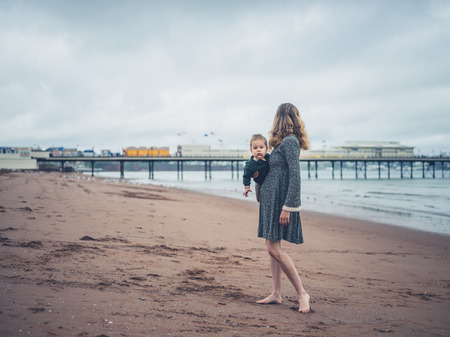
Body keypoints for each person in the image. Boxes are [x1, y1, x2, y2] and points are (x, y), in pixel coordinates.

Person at [256, 102, 311, 313]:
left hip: (281, 204)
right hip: (271, 203)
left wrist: (289, 206)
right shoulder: (280, 144)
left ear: (280, 118)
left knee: (273, 249)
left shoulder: (290, 142)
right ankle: (276, 293)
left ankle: (302, 293)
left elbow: (295, 176)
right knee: (273, 249)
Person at [242, 134, 270, 201]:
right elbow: (246, 176)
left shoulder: (268, 157)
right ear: (251, 150)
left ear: (266, 149)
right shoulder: (250, 165)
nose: (258, 150)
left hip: (269, 182)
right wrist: (247, 187)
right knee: (259, 199)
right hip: (259, 184)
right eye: (255, 148)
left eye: (261, 147)